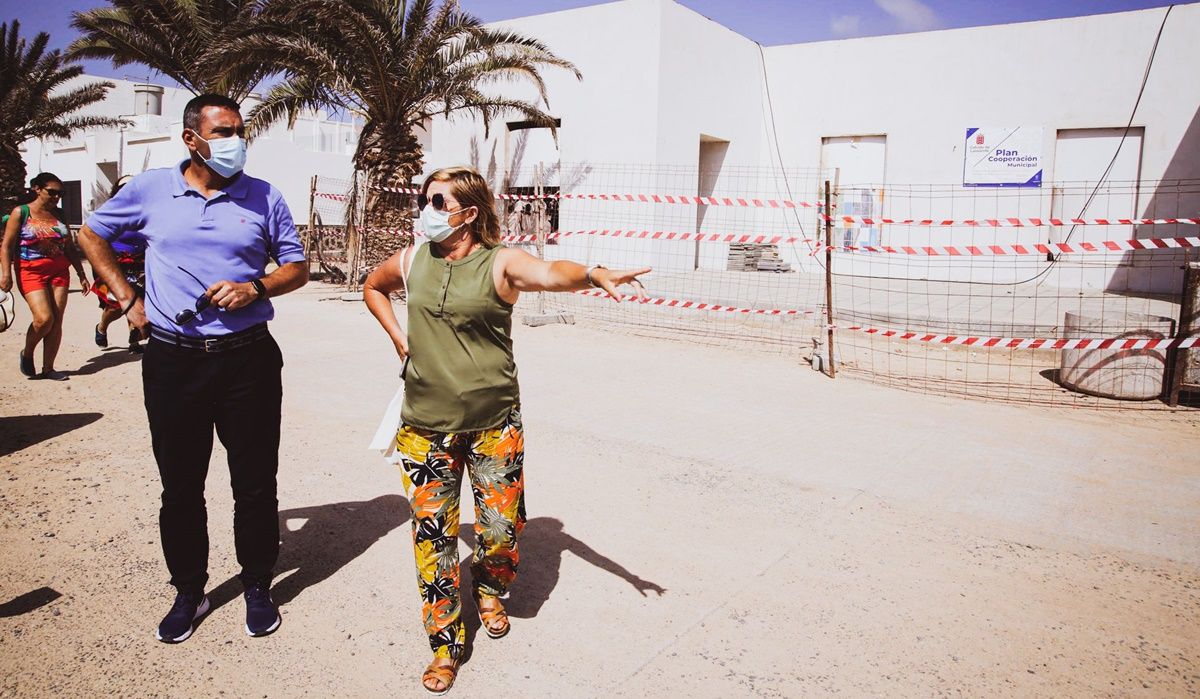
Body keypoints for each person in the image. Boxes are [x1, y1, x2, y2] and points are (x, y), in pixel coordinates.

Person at [363, 166, 650, 695]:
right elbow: (373, 287)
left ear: (468, 213)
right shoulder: (411, 260)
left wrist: (593, 274)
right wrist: (400, 340)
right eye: (425, 200)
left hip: (494, 424)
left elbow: (549, 271)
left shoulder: (501, 263)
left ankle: (491, 588)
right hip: (425, 426)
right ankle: (445, 646)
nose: (425, 211)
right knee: (434, 539)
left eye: (437, 202)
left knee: (500, 529)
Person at [76, 93, 308, 644]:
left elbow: (296, 267)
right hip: (173, 360)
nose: (236, 142)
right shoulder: (152, 189)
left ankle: (257, 584)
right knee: (181, 486)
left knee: (255, 483)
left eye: (239, 131)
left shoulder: (264, 196)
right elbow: (90, 233)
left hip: (248, 358)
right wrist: (128, 299)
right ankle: (190, 590)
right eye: (224, 131)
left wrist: (256, 286)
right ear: (192, 138)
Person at [0, 172, 92, 380]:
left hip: (59, 271)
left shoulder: (60, 215)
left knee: (57, 320)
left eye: (60, 194)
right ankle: (28, 352)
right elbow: (6, 246)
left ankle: (48, 368)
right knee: (44, 319)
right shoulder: (20, 212)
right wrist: (6, 274)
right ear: (37, 189)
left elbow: (68, 246)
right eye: (51, 192)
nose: (56, 197)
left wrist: (81, 273)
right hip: (30, 271)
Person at [92, 175, 147, 353]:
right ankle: (102, 326)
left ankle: (134, 341)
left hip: (141, 264)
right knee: (116, 305)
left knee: (139, 301)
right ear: (116, 190)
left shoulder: (146, 209)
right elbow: (93, 239)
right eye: (124, 186)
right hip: (115, 263)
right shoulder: (109, 211)